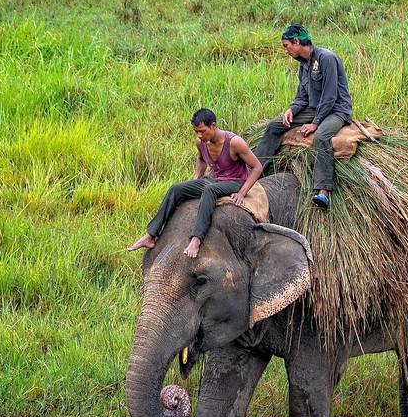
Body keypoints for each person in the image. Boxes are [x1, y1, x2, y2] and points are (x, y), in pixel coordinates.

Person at [128, 108, 264, 259]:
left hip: (234, 181)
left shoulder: (234, 142)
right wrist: (196, 178)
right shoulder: (201, 142)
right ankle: (150, 235)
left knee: (210, 191)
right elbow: (201, 159)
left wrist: (242, 192)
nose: (199, 135)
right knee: (176, 189)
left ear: (213, 126)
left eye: (202, 131)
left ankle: (196, 239)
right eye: (196, 132)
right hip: (214, 178)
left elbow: (257, 167)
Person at [255, 23, 353, 210]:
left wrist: (315, 124)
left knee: (322, 137)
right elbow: (302, 95)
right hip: (314, 108)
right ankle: (255, 171)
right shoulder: (303, 64)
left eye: (286, 46)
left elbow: (330, 96)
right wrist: (292, 109)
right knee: (274, 126)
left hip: (336, 110)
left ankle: (323, 191)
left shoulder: (327, 59)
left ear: (296, 41)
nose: (286, 51)